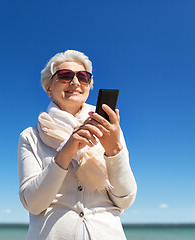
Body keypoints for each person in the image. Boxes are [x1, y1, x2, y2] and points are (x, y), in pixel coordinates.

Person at [17, 50, 137, 240]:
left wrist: (114, 151)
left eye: (83, 77)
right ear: (48, 88)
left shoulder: (111, 131)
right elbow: (33, 203)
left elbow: (125, 200)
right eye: (65, 76)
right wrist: (67, 150)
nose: (75, 82)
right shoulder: (30, 136)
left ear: (88, 85)